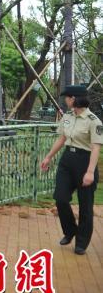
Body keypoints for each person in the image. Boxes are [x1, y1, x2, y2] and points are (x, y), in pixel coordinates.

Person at [40, 84, 102, 255]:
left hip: (85, 162)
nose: (65, 100)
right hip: (67, 161)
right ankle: (70, 231)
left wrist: (90, 172)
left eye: (67, 97)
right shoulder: (67, 116)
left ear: (73, 98)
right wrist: (49, 156)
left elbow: (96, 148)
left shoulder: (93, 121)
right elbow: (62, 138)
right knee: (60, 198)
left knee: (85, 206)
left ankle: (81, 242)